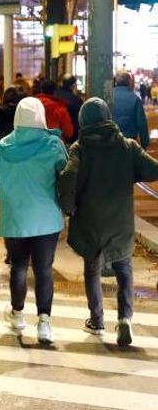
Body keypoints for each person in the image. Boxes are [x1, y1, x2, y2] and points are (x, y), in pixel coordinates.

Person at [58, 98, 158, 346]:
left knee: (92, 269)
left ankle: (97, 320)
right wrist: (131, 172)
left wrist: (68, 208)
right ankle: (125, 319)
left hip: (91, 222)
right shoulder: (128, 147)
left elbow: (69, 176)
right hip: (120, 222)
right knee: (124, 269)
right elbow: (153, 170)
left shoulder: (80, 148)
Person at [0, 98, 67, 344]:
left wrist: (10, 196)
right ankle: (44, 323)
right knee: (43, 270)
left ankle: (18, 314)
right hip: (47, 220)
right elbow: (65, 177)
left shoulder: (2, 147)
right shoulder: (53, 144)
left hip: (15, 218)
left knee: (19, 267)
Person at [112, 72, 150, 149]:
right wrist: (144, 144)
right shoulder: (135, 99)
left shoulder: (108, 97)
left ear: (116, 82)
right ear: (129, 82)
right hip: (129, 142)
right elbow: (141, 123)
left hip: (110, 141)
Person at [54, 75, 84, 141]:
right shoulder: (76, 100)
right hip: (71, 135)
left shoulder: (54, 95)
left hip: (55, 134)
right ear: (73, 85)